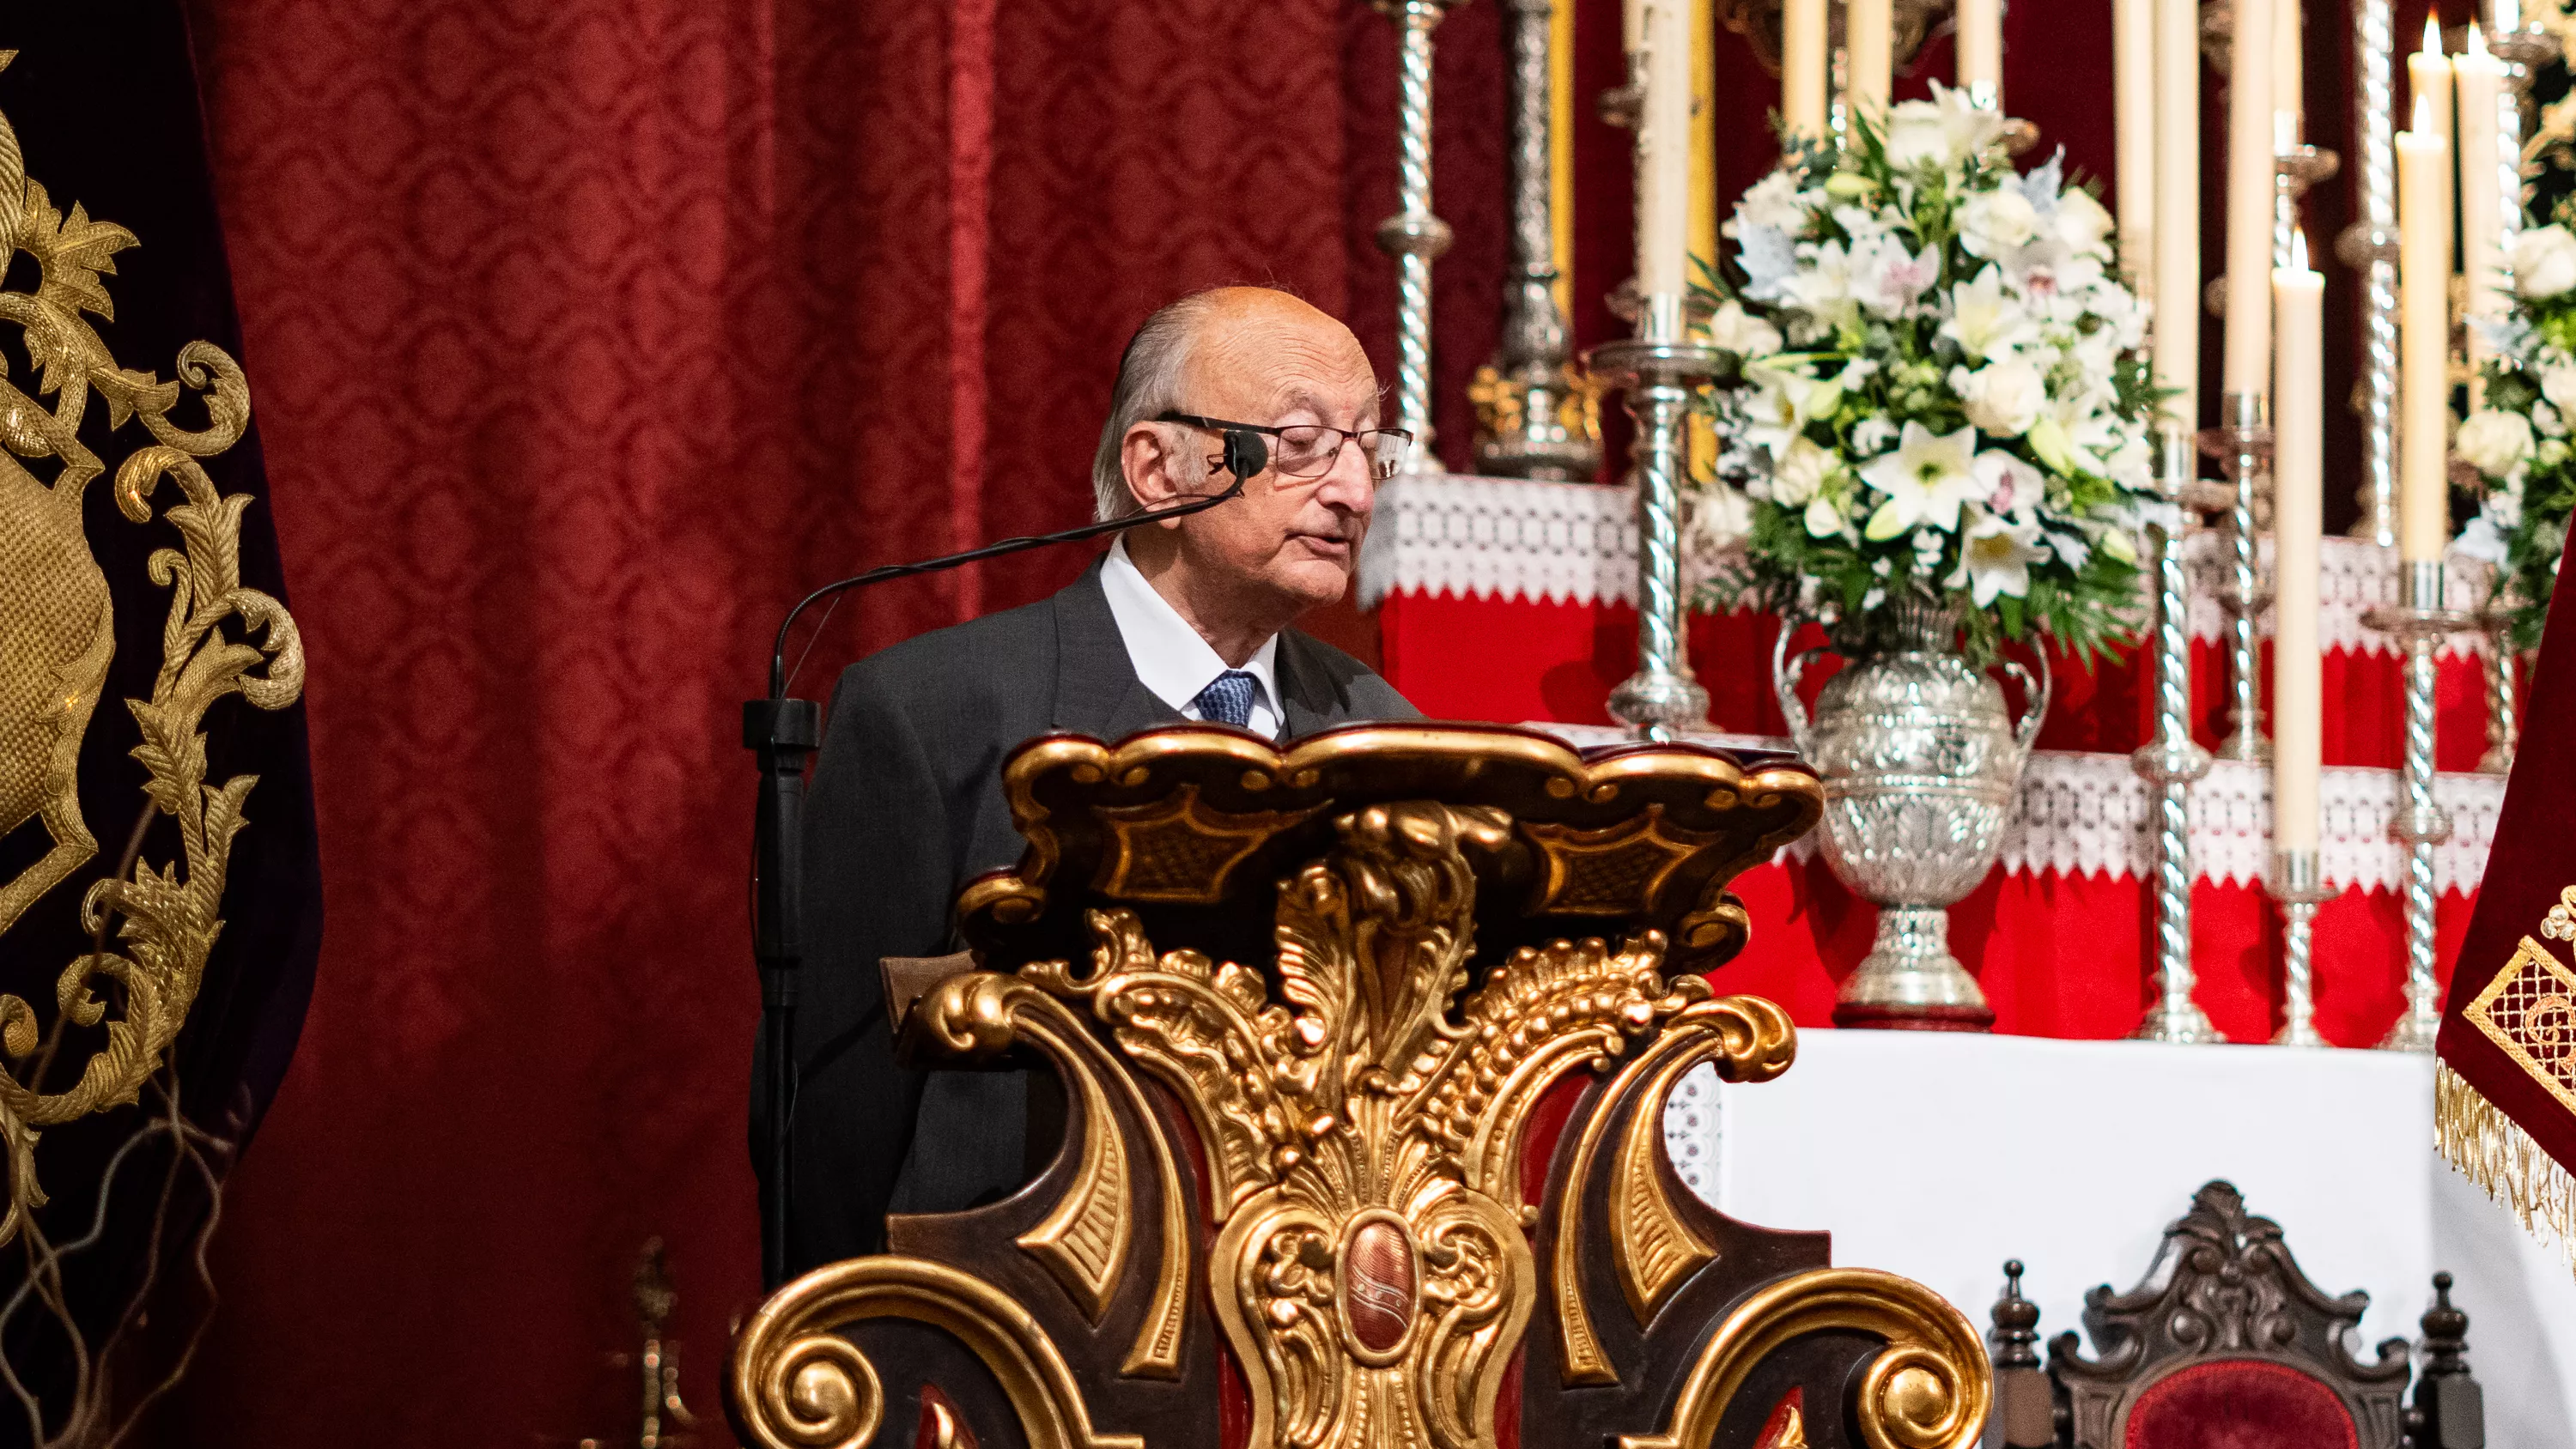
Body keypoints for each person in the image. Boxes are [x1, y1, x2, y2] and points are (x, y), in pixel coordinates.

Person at [762, 286, 1422, 1274]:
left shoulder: (1386, 733)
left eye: (1369, 445)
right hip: (1011, 1337)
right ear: (1159, 469)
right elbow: (834, 1115)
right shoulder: (935, 713)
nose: (1354, 491)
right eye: (1299, 442)